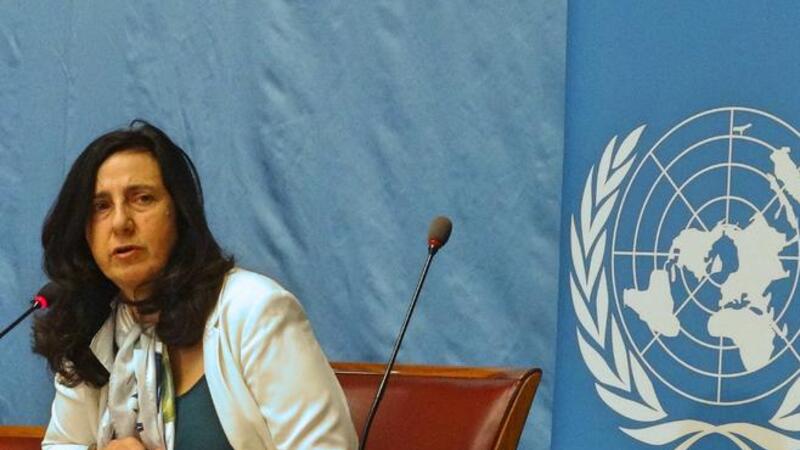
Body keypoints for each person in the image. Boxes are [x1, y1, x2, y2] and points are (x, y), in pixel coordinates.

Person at [32, 120, 358, 450]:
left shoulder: (255, 312)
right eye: (101, 206)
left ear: (180, 213)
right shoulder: (93, 328)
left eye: (142, 198)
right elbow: (62, 444)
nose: (120, 223)